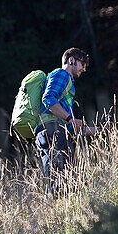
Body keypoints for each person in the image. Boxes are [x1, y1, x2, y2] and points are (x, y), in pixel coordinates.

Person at [35, 47, 96, 185]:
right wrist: (69, 118)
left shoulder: (66, 84)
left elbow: (71, 126)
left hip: (49, 131)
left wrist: (98, 130)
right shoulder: (62, 74)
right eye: (82, 64)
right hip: (53, 130)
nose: (84, 69)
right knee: (67, 180)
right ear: (71, 60)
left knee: (56, 181)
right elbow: (48, 99)